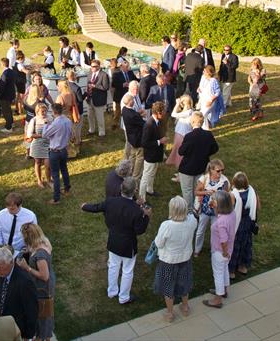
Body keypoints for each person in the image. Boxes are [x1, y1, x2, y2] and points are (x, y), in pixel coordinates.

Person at [82, 177, 150, 305]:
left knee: (113, 266)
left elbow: (97, 207)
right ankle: (124, 297)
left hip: (113, 240)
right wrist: (146, 216)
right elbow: (139, 230)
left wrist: (85, 206)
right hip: (128, 245)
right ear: (134, 191)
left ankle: (112, 292)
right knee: (127, 270)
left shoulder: (111, 202)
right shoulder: (136, 210)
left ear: (121, 189)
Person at [154, 196, 197, 322]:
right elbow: (193, 216)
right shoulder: (192, 222)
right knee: (184, 283)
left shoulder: (166, 225)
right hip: (185, 258)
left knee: (168, 287)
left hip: (168, 261)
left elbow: (159, 243)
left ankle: (170, 313)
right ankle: (185, 307)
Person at [16, 223, 56, 341]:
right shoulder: (44, 242)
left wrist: (26, 267)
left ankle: (41, 337)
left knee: (43, 315)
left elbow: (44, 276)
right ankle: (45, 336)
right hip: (44, 285)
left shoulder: (40, 255)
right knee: (45, 314)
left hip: (42, 288)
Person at [0, 246, 38, 339]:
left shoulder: (25, 282)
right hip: (5, 323)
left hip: (19, 328)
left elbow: (32, 310)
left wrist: (29, 335)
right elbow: (1, 290)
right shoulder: (2, 272)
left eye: (1, 268)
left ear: (11, 262)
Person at [177, 112, 218, 209]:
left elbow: (181, 151)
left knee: (187, 191)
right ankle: (197, 209)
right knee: (197, 190)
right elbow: (215, 148)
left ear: (192, 122)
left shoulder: (189, 136)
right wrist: (205, 153)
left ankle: (189, 211)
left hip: (187, 168)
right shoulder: (208, 135)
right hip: (201, 167)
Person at [203, 190, 237, 309]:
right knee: (224, 270)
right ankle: (224, 290)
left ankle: (217, 299)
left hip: (220, 252)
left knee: (218, 273)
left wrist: (224, 251)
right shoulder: (232, 214)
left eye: (214, 200)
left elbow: (223, 239)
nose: (211, 201)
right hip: (229, 250)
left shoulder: (221, 222)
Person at [193, 160, 230, 257]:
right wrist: (206, 192)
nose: (220, 173)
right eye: (218, 171)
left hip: (217, 212)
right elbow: (196, 192)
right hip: (205, 210)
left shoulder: (224, 181)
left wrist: (217, 196)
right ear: (211, 170)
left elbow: (226, 196)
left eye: (222, 170)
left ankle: (214, 250)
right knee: (200, 230)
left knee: (215, 232)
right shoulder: (204, 179)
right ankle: (197, 249)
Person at [229, 172, 259, 278]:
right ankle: (243, 266)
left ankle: (231, 271)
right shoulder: (252, 192)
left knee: (235, 245)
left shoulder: (234, 195)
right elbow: (258, 206)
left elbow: (230, 210)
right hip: (248, 222)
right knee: (246, 244)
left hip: (237, 223)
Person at [43, 102, 73, 205]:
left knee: (55, 175)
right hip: (64, 149)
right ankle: (67, 189)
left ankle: (56, 198)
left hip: (55, 151)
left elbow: (45, 135)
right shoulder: (68, 120)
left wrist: (46, 124)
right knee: (64, 169)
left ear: (54, 112)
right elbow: (70, 134)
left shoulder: (56, 123)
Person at [139, 102, 167, 201]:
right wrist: (160, 141)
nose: (165, 113)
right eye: (163, 111)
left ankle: (149, 190)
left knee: (153, 173)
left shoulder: (157, 121)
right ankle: (142, 199)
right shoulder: (149, 124)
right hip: (150, 156)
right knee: (145, 177)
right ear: (158, 112)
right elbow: (144, 143)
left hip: (156, 155)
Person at [25, 103, 51, 188]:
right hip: (37, 145)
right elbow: (29, 134)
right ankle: (39, 180)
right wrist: (42, 135)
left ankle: (49, 180)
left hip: (48, 144)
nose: (44, 113)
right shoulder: (34, 120)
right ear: (37, 111)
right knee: (38, 163)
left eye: (45, 111)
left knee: (48, 164)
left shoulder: (50, 118)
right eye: (42, 111)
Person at [166, 95, 194, 173]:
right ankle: (179, 171)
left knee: (180, 154)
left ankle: (180, 172)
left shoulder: (187, 113)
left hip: (182, 135)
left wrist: (177, 104)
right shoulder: (189, 111)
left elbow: (173, 114)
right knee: (177, 151)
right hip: (180, 134)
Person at [121, 94, 145, 181]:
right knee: (140, 157)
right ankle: (136, 176)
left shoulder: (124, 110)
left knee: (132, 156)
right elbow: (143, 124)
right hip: (138, 138)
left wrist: (138, 114)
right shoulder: (134, 115)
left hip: (131, 137)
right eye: (132, 100)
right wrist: (143, 116)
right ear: (130, 102)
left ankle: (129, 172)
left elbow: (134, 116)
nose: (134, 101)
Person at [55, 80, 80, 157]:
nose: (57, 87)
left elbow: (57, 110)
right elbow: (74, 105)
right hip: (70, 116)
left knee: (64, 136)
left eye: (58, 86)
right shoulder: (71, 94)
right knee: (71, 133)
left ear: (61, 87)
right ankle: (75, 151)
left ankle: (69, 153)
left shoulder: (60, 97)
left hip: (63, 117)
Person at [86, 59, 110, 136]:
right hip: (90, 99)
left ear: (99, 66)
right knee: (90, 116)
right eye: (91, 66)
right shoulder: (90, 73)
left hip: (99, 99)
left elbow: (105, 87)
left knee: (100, 117)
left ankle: (101, 132)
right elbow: (88, 84)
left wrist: (95, 86)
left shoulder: (104, 75)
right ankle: (91, 129)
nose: (92, 68)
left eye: (94, 66)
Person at [112, 60, 137, 130]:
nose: (128, 68)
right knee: (118, 111)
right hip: (119, 95)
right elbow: (113, 84)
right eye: (126, 67)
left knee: (129, 110)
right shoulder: (116, 74)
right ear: (121, 67)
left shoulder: (130, 72)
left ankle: (128, 123)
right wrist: (122, 85)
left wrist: (138, 78)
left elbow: (135, 80)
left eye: (128, 66)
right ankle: (115, 124)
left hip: (129, 95)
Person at [0, 58, 17, 133]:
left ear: (2, 64)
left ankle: (8, 127)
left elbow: (2, 86)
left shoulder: (5, 74)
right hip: (11, 93)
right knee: (9, 110)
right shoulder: (11, 71)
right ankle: (12, 123)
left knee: (6, 111)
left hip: (5, 95)